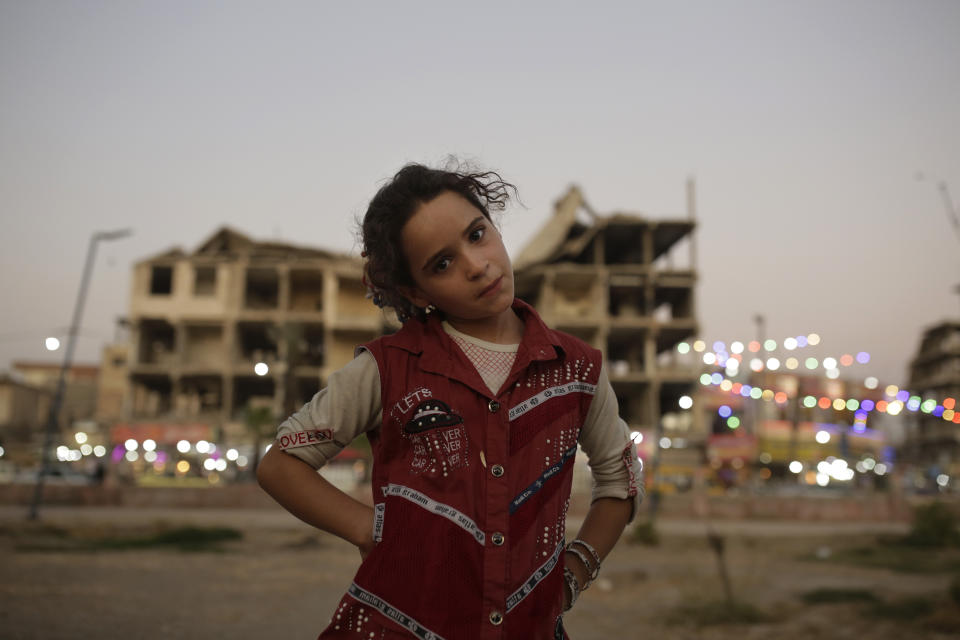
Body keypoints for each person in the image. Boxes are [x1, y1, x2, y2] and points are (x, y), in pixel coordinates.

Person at [257, 162, 644, 639]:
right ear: (415, 292)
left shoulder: (578, 369)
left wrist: (573, 573)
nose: (477, 265)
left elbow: (620, 478)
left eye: (477, 234)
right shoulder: (387, 368)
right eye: (442, 263)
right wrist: (369, 529)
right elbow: (280, 464)